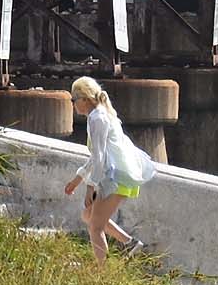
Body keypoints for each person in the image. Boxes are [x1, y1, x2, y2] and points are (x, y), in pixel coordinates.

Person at [60, 76, 154, 263]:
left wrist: (90, 187)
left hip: (117, 177)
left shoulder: (98, 118)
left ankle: (100, 273)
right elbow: (96, 155)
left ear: (84, 99)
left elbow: (99, 157)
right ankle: (129, 242)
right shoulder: (98, 115)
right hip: (117, 175)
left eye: (74, 100)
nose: (73, 104)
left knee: (95, 227)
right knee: (88, 216)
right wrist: (77, 180)